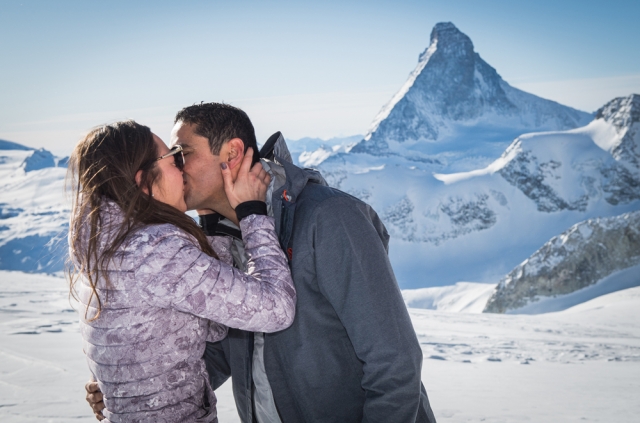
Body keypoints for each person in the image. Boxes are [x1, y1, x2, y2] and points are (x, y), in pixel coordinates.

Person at [87, 104, 437, 422]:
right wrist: (135, 383)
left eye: (183, 154)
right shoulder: (220, 241)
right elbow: (224, 352)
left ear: (232, 153)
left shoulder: (329, 218)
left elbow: (395, 365)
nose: (176, 167)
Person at [69, 120, 296, 422]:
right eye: (174, 158)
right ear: (143, 181)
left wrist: (210, 225)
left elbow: (208, 325)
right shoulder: (155, 251)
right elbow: (277, 308)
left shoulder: (106, 244)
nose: (183, 167)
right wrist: (252, 213)